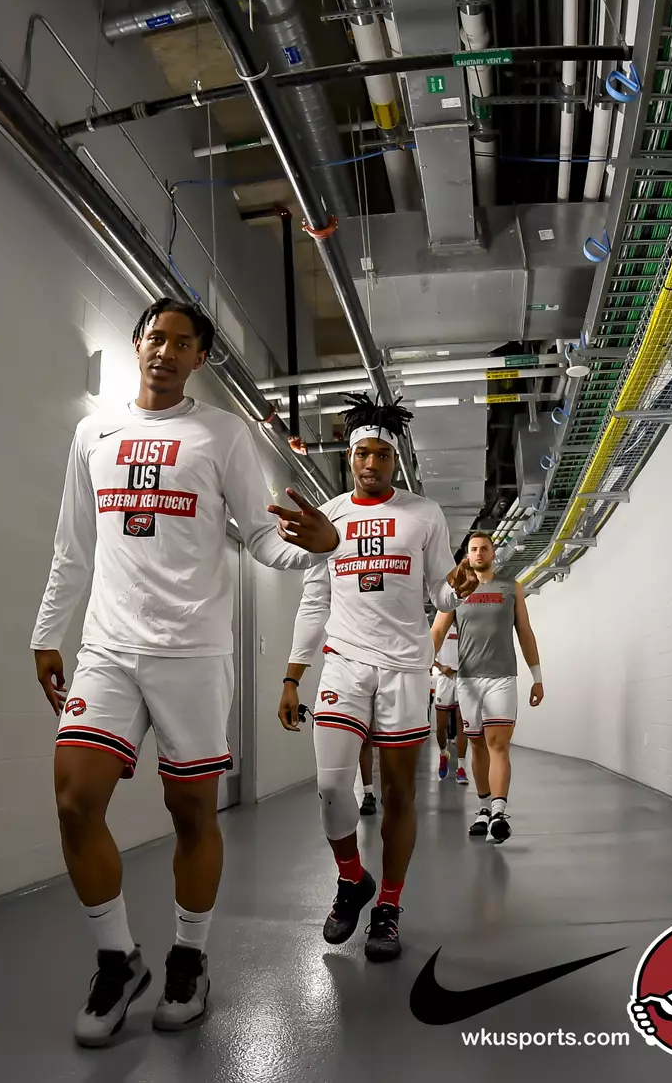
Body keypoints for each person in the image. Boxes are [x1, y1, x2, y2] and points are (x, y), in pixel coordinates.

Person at [32, 298, 339, 1046]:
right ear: (137, 345)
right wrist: (47, 632)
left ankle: (189, 960)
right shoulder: (92, 434)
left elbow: (265, 538)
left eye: (182, 343)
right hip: (107, 649)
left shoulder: (222, 434)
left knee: (192, 814)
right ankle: (117, 958)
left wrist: (321, 545)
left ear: (200, 358)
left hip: (193, 653)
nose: (165, 351)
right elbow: (74, 546)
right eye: (155, 338)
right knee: (75, 801)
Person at [282, 395, 477, 962]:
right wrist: (294, 675)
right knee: (331, 785)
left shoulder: (424, 514)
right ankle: (352, 879)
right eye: (362, 454)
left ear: (395, 458)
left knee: (397, 794)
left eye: (381, 455)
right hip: (343, 662)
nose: (371, 463)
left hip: (403, 667)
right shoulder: (331, 516)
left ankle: (388, 905)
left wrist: (457, 585)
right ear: (349, 457)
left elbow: (437, 592)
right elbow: (315, 599)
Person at [430, 532, 543, 845]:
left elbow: (525, 632)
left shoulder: (511, 588)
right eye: (473, 549)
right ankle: (482, 808)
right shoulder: (457, 590)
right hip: (468, 680)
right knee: (477, 744)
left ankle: (498, 811)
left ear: (493, 553)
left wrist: (537, 676)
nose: (479, 553)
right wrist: (423, 663)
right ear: (467, 555)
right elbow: (438, 630)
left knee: (498, 744)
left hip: (502, 678)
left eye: (484, 549)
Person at [431, 614, 461, 780]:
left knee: (462, 722)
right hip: (445, 678)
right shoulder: (441, 625)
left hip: (464, 677)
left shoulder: (466, 623)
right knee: (441, 725)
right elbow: (427, 652)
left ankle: (461, 768)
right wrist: (440, 666)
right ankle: (443, 754)